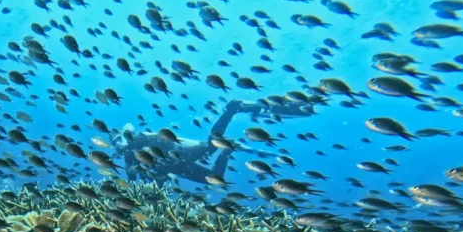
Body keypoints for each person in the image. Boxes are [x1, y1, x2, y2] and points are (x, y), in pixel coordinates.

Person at [111, 98, 314, 185]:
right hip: (180, 167)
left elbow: (161, 138)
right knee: (216, 178)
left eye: (117, 140)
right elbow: (134, 183)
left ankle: (232, 108)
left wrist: (156, 150)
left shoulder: (136, 141)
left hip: (181, 153)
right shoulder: (129, 158)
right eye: (115, 144)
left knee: (211, 144)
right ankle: (226, 152)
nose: (118, 146)